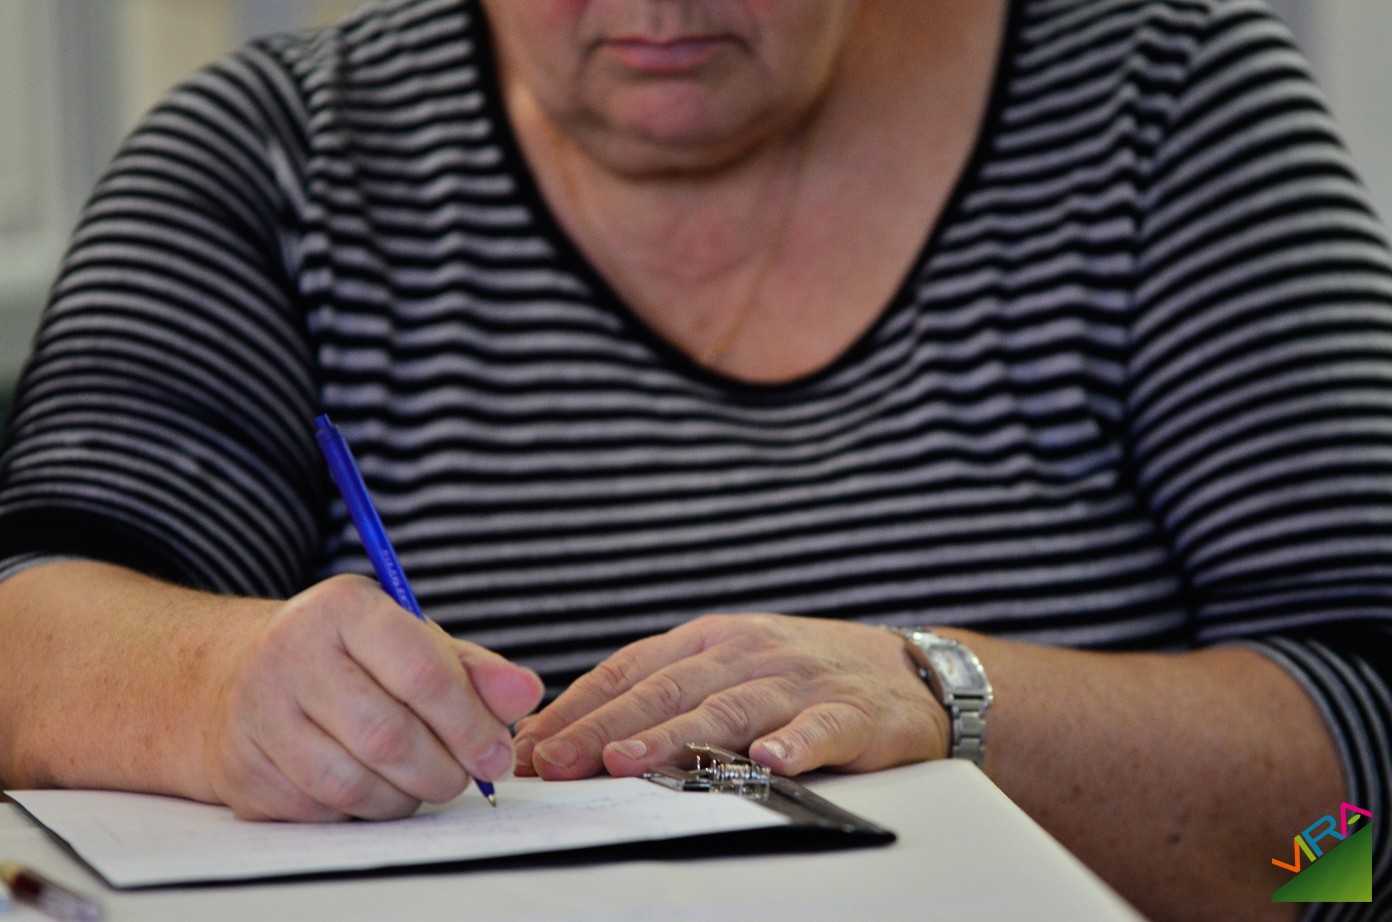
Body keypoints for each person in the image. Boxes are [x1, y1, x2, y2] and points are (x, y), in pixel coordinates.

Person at [0, 0, 1388, 918]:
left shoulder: (1163, 106)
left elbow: (1356, 836)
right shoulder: (277, 160)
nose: (658, 8)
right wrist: (219, 684)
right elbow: (31, 628)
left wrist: (958, 705)